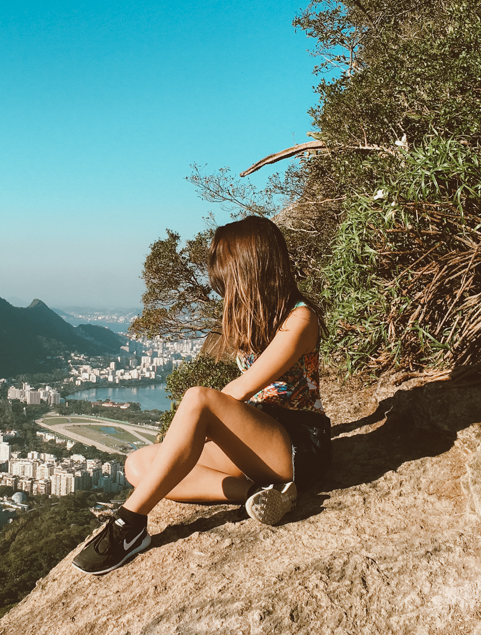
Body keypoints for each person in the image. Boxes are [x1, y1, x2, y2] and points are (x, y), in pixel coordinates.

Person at [72, 215, 332, 575]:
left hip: (298, 445)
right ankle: (259, 495)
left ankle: (128, 525)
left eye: (226, 280)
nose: (223, 290)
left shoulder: (300, 320)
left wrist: (190, 430)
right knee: (139, 465)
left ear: (248, 270)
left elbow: (240, 389)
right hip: (258, 444)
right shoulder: (258, 319)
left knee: (198, 400)